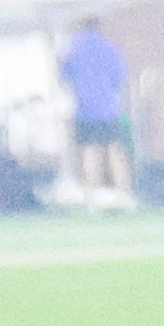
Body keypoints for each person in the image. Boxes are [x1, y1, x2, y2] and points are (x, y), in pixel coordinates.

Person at [58, 16, 136, 207]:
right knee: (115, 151)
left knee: (89, 151)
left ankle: (91, 199)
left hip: (84, 109)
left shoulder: (74, 49)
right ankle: (124, 195)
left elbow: (63, 74)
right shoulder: (110, 49)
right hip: (109, 109)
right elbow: (120, 78)